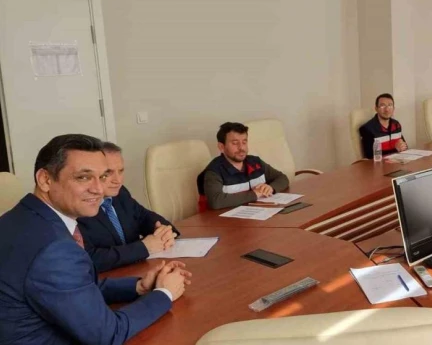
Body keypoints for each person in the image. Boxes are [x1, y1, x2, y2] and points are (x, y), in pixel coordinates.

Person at [0, 134, 191, 344]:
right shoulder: (54, 248)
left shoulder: (19, 218)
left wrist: (138, 287)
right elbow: (107, 335)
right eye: (83, 177)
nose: (99, 189)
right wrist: (164, 293)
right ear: (45, 179)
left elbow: (75, 287)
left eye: (102, 177)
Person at [78, 142, 180, 272]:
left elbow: (144, 217)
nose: (118, 180)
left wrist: (164, 232)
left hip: (137, 270)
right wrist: (144, 247)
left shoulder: (120, 193)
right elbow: (90, 259)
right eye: (108, 173)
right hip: (106, 279)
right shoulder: (80, 206)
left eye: (121, 171)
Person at [197, 122, 289, 210]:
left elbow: (282, 178)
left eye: (244, 142)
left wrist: (271, 188)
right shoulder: (214, 171)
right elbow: (216, 201)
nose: (241, 148)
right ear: (222, 147)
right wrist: (254, 194)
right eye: (235, 143)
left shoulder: (255, 162)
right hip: (223, 219)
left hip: (256, 213)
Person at [359, 93, 408, 159]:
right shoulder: (367, 129)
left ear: (393, 108)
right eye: (382, 106)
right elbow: (370, 155)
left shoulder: (396, 124)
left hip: (398, 162)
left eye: (390, 105)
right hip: (379, 164)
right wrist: (395, 150)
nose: (387, 109)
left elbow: (404, 146)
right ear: (376, 108)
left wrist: (403, 147)